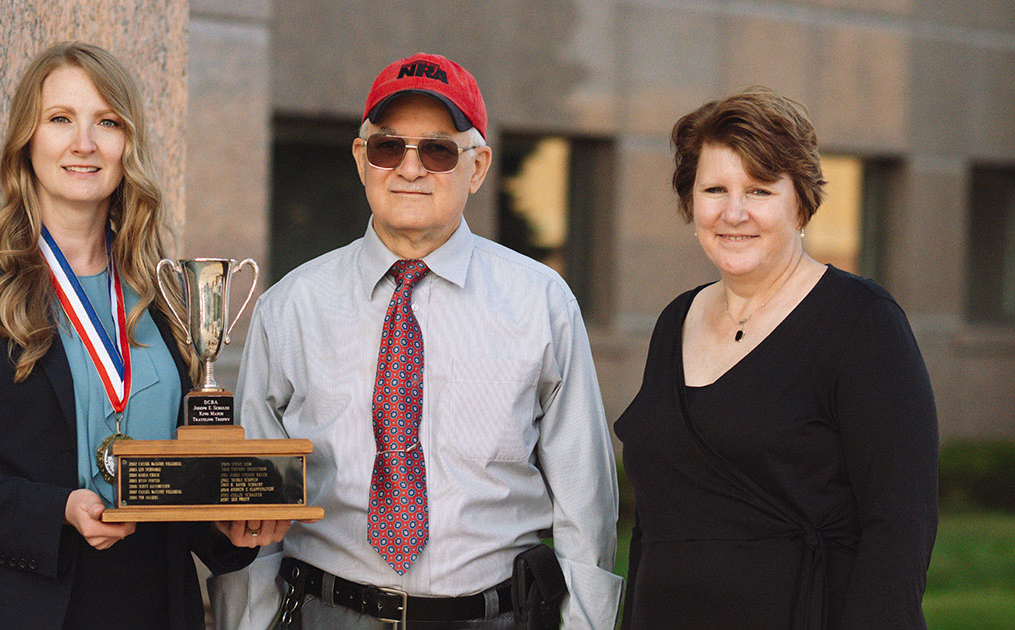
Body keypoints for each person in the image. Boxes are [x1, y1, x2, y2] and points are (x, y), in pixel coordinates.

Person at [210, 52, 622, 629]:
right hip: (327, 614)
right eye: (387, 147)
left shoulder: (542, 303)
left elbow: (587, 508)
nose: (409, 168)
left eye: (437, 149)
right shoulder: (291, 307)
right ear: (361, 159)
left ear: (476, 167)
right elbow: (254, 504)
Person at [0, 41, 270, 629]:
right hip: (7, 608)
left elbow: (184, 490)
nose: (85, 143)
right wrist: (54, 509)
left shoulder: (160, 292)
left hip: (152, 607)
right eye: (61, 119)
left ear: (127, 144)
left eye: (106, 122)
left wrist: (233, 529)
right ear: (26, 139)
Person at [613, 88, 939, 629]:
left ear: (801, 202)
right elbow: (655, 523)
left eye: (760, 190)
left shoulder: (861, 321)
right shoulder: (676, 321)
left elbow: (900, 528)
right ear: (690, 201)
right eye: (714, 188)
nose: (733, 212)